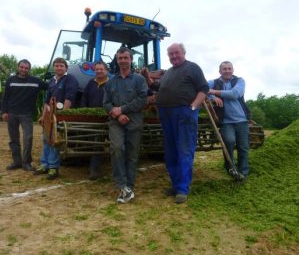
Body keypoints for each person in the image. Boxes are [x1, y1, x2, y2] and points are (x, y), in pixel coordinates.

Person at [156, 43, 209, 204]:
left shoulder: (193, 68)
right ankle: (176, 184)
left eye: (176, 53)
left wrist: (193, 107)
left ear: (183, 53)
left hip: (184, 112)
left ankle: (183, 189)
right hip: (166, 114)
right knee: (170, 151)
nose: (173, 56)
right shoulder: (168, 73)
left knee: (184, 150)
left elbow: (203, 89)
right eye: (170, 54)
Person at [103, 47, 147, 204]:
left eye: (125, 58)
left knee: (132, 155)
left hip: (134, 121)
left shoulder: (139, 80)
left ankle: (129, 187)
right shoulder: (111, 82)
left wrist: (122, 109)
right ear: (116, 59)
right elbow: (106, 103)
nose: (122, 61)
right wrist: (118, 114)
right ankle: (122, 186)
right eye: (120, 58)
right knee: (116, 148)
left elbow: (143, 100)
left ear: (131, 59)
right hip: (116, 122)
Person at [33, 57, 78, 180]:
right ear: (54, 67)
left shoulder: (70, 79)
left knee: (54, 141)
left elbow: (69, 98)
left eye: (61, 66)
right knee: (46, 139)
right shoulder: (52, 81)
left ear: (66, 68)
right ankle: (45, 164)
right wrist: (43, 115)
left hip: (59, 115)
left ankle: (53, 167)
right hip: (49, 115)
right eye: (56, 66)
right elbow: (47, 101)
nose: (59, 68)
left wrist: (63, 115)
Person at [2, 59, 48, 171]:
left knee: (28, 138)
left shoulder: (35, 81)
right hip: (12, 113)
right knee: (14, 139)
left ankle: (26, 163)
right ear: (18, 67)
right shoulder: (10, 80)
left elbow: (50, 87)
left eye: (26, 68)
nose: (23, 69)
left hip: (27, 114)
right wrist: (4, 112)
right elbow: (5, 97)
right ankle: (17, 162)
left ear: (29, 69)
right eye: (22, 67)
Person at [208, 61, 250, 179]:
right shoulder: (214, 82)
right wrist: (212, 97)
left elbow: (234, 94)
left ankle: (243, 172)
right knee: (229, 142)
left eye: (229, 68)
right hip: (226, 121)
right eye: (224, 69)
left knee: (243, 147)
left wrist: (213, 91)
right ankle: (231, 168)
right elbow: (201, 88)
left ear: (233, 70)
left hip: (241, 119)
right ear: (220, 71)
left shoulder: (240, 81)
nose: (227, 71)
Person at [81, 61, 109, 180]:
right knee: (94, 141)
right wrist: (84, 111)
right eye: (97, 69)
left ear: (106, 70)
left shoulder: (110, 84)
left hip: (106, 117)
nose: (98, 71)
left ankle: (95, 170)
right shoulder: (90, 83)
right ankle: (93, 168)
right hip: (92, 117)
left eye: (101, 69)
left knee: (100, 142)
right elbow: (84, 98)